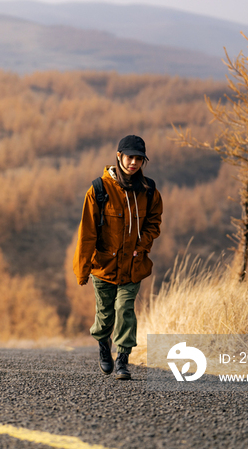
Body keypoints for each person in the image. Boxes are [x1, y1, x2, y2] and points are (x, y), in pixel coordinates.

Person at [73, 135, 163, 380]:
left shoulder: (149, 190)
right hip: (103, 266)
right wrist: (82, 269)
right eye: (129, 157)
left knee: (125, 310)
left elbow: (154, 223)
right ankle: (103, 344)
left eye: (139, 159)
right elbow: (87, 234)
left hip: (133, 266)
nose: (133, 162)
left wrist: (142, 245)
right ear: (119, 156)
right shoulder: (99, 190)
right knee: (105, 315)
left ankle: (123, 360)